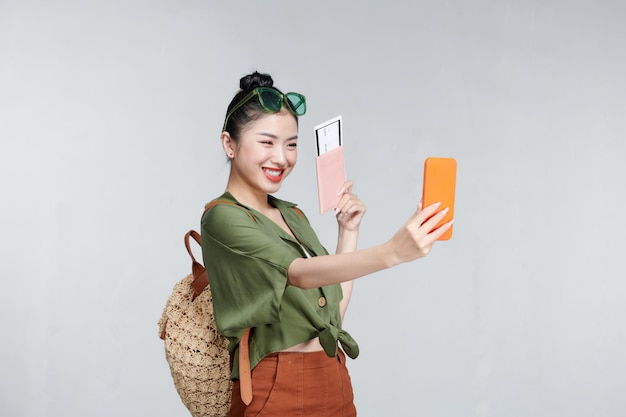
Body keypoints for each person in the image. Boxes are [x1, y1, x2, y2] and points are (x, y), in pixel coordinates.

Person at [201, 71, 453, 417]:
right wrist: (393, 252)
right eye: (267, 142)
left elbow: (332, 315)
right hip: (276, 386)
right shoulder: (222, 218)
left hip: (331, 375)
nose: (282, 157)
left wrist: (348, 232)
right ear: (229, 144)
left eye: (291, 144)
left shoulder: (292, 215)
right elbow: (301, 273)